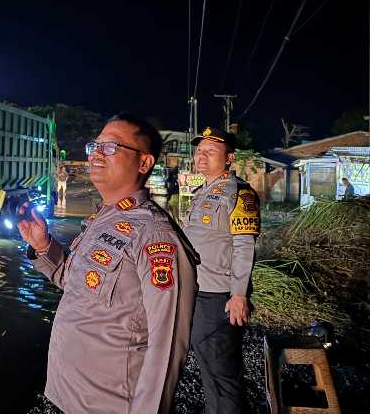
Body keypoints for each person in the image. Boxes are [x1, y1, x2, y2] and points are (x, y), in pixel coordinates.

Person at [18, 113, 199, 414]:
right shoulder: (103, 219)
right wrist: (43, 246)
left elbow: (166, 347)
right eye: (95, 146)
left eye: (111, 147)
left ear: (144, 163)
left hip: (110, 404)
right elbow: (77, 284)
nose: (96, 154)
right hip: (66, 395)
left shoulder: (155, 236)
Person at [184, 126, 261, 414]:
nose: (201, 157)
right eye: (199, 151)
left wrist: (239, 294)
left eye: (210, 152)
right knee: (207, 365)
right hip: (199, 290)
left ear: (229, 158)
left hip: (220, 296)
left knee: (223, 371)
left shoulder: (241, 194)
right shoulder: (201, 191)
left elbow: (244, 247)